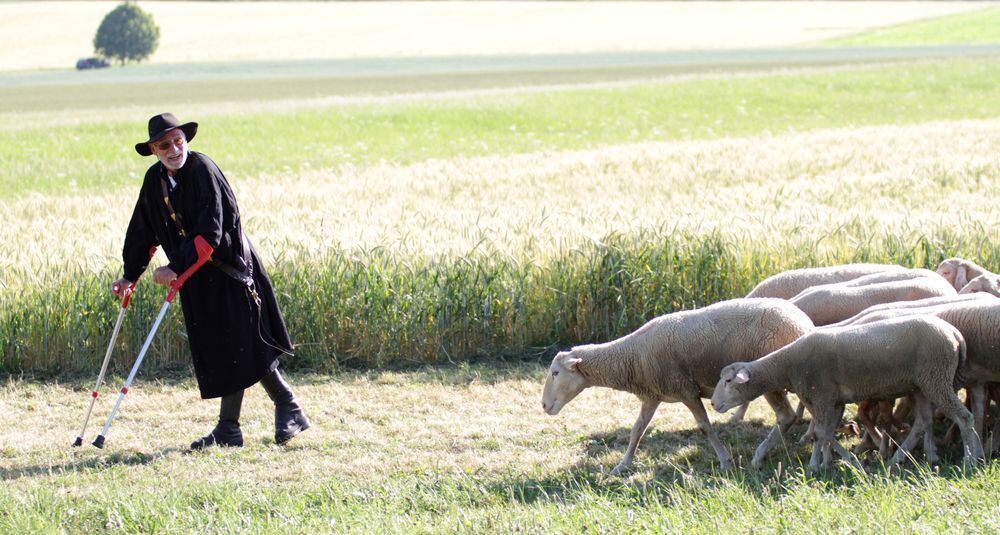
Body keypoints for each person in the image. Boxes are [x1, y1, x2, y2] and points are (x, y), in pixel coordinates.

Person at [112, 113, 310, 449]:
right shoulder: (154, 181)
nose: (174, 149)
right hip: (197, 277)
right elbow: (142, 230)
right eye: (165, 145)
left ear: (185, 141)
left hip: (231, 269)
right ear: (154, 150)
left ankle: (267, 414)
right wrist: (130, 275)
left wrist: (176, 267)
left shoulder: (203, 170)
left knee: (242, 343)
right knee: (231, 347)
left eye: (178, 141)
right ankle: (244, 425)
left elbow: (211, 233)